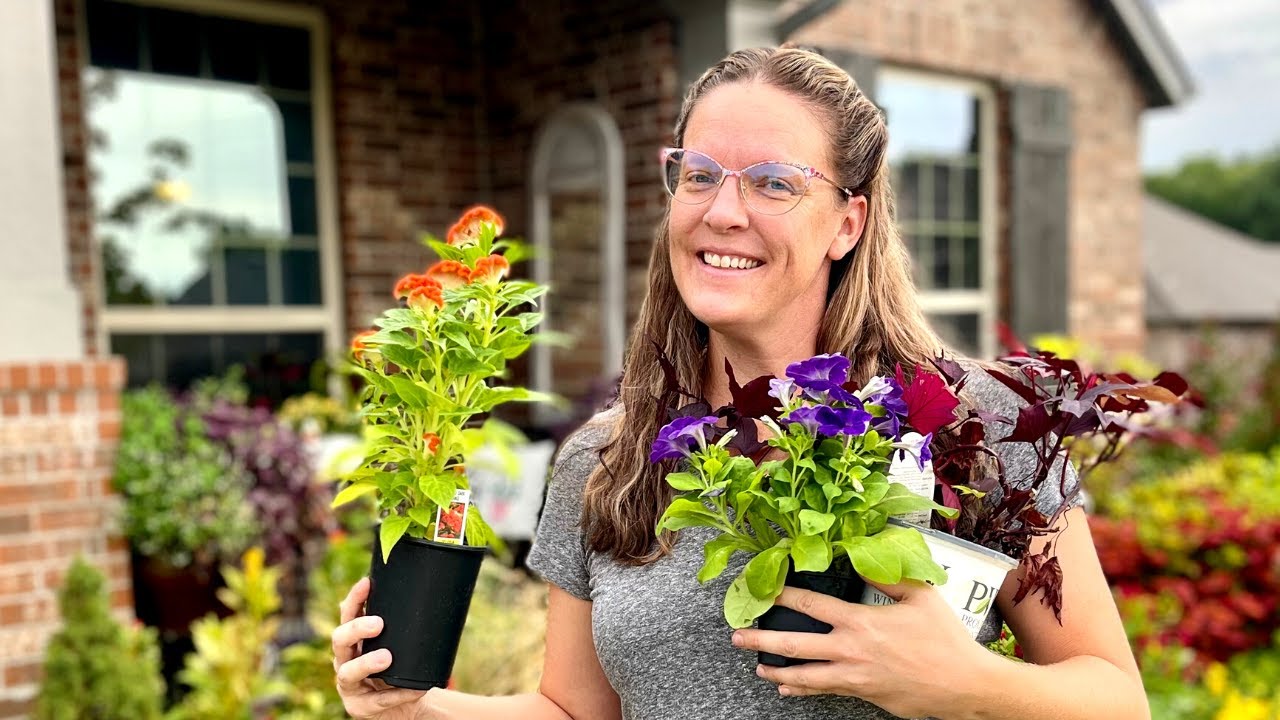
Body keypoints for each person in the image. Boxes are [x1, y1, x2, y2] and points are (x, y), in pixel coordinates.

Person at [332, 45, 1149, 720]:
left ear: (848, 222)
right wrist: (415, 707)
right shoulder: (605, 459)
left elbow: (1117, 701)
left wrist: (966, 682)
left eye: (773, 182)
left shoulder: (966, 423)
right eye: (698, 174)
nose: (723, 211)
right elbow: (575, 713)